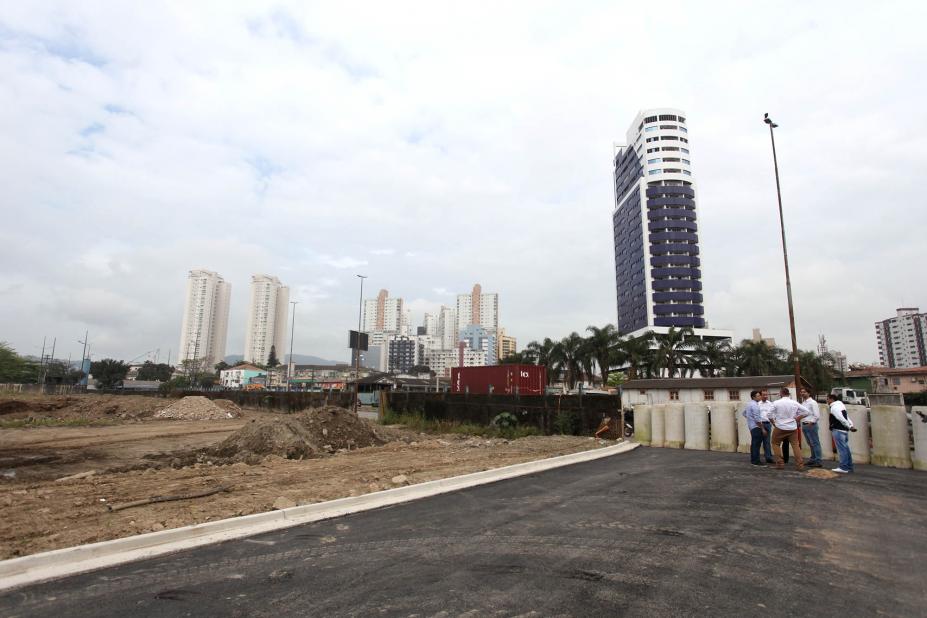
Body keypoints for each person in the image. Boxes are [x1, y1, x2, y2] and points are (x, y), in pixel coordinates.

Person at [768, 387, 809, 471]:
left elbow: (768, 414)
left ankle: (780, 463)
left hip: (780, 426)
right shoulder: (794, 402)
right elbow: (807, 412)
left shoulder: (776, 402)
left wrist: (773, 422)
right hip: (792, 427)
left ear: (781, 393)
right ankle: (800, 465)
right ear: (788, 394)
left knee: (775, 443)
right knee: (795, 445)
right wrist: (798, 418)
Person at [827, 393, 857, 473]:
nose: (827, 401)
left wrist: (849, 426)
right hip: (844, 430)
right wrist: (850, 425)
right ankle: (849, 466)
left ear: (831, 399)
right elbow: (846, 417)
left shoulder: (834, 408)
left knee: (842, 449)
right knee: (846, 449)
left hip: (838, 430)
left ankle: (843, 467)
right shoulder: (841, 406)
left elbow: (841, 418)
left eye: (827, 399)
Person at [799, 387, 823, 467]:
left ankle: (818, 460)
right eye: (801, 392)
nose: (802, 393)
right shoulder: (803, 403)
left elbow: (817, 415)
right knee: (810, 443)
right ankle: (813, 459)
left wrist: (811, 422)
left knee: (815, 443)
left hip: (811, 425)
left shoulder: (813, 402)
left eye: (804, 392)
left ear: (809, 393)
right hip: (804, 424)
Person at [742, 390, 767, 466]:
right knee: (756, 444)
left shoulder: (749, 404)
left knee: (754, 444)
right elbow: (757, 418)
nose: (760, 397)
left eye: (760, 395)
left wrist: (750, 419)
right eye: (758, 396)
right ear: (753, 397)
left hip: (752, 426)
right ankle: (756, 461)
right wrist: (762, 428)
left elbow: (744, 413)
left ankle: (753, 460)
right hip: (756, 426)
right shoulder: (755, 405)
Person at [757, 390, 776, 464]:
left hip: (768, 424)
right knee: (758, 441)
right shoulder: (758, 404)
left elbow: (773, 413)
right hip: (760, 424)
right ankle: (757, 457)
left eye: (766, 395)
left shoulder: (770, 404)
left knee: (767, 441)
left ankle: (768, 457)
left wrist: (774, 422)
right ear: (761, 396)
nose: (765, 396)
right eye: (763, 395)